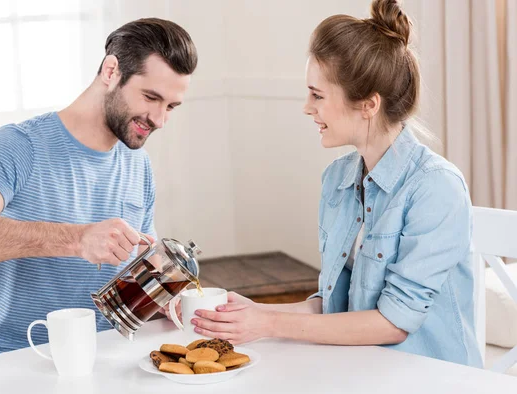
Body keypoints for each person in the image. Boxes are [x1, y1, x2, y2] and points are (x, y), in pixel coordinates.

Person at [191, 0, 482, 367]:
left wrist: (268, 323)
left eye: (317, 95)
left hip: (434, 381)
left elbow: (393, 324)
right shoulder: (338, 180)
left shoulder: (436, 189)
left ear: (368, 105)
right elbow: (336, 305)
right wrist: (252, 313)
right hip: (361, 371)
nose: (306, 107)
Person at [0, 18, 197, 360]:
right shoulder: (19, 146)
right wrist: (77, 239)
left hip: (103, 358)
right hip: (10, 359)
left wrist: (162, 296)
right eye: (150, 97)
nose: (159, 120)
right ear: (111, 71)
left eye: (170, 107)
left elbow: (141, 267)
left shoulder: (137, 164)